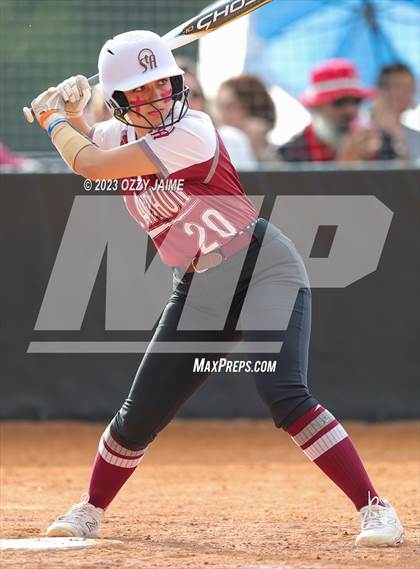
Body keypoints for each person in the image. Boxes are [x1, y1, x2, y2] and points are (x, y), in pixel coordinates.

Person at [30, 30, 403, 548]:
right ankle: (90, 508)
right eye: (139, 90)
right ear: (119, 99)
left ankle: (376, 509)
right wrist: (73, 110)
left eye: (161, 84)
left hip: (261, 267)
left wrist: (53, 118)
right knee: (140, 413)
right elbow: (92, 139)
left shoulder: (194, 130)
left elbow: (88, 163)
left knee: (284, 394)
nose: (155, 98)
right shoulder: (120, 134)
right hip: (199, 285)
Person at [279, 59, 390, 163]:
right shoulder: (293, 151)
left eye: (356, 101)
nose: (350, 110)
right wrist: (346, 164)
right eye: (340, 102)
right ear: (317, 107)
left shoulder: (382, 144)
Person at [216, 75, 276, 163]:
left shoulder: (277, 153)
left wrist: (258, 149)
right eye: (220, 107)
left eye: (230, 107)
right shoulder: (217, 143)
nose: (222, 115)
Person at [370, 63, 420, 162]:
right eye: (398, 87)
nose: (404, 94)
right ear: (380, 90)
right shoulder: (361, 129)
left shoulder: (415, 137)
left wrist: (397, 136)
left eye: (409, 89)